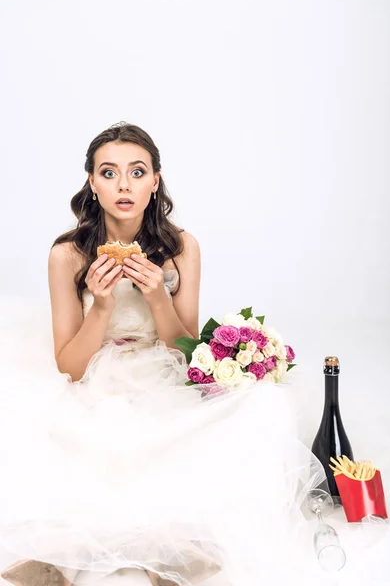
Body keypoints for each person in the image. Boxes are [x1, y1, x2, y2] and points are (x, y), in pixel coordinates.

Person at [0, 122, 332, 586]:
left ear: (155, 180)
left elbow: (184, 352)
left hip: (161, 373)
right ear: (92, 184)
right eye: (109, 173)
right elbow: (69, 369)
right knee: (75, 428)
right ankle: (67, 553)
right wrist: (102, 307)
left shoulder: (182, 248)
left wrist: (158, 297)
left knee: (261, 408)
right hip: (96, 375)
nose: (123, 185)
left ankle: (170, 548)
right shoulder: (67, 255)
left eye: (137, 172)